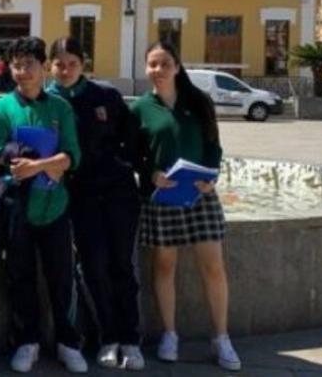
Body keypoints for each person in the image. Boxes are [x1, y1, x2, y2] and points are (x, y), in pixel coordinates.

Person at [130, 41, 240, 371]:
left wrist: (211, 174)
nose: (158, 70)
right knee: (164, 267)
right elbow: (134, 153)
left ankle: (221, 338)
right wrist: (150, 173)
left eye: (165, 64)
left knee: (213, 266)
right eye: (152, 64)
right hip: (162, 198)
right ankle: (170, 334)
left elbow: (213, 146)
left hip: (199, 195)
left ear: (177, 66)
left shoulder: (198, 102)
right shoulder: (139, 109)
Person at [0, 37, 86, 374]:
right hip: (18, 208)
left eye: (30, 64)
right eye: (16, 64)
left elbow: (73, 155)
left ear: (44, 67)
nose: (23, 71)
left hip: (55, 206)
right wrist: (17, 156)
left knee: (62, 278)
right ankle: (27, 341)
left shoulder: (60, 108)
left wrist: (39, 166)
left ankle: (68, 342)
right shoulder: (0, 109)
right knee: (21, 276)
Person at [46, 38, 144, 371]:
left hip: (118, 193)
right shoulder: (48, 101)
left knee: (122, 266)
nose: (66, 69)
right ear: (50, 66)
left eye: (72, 62)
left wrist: (122, 164)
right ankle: (109, 337)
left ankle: (131, 339)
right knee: (94, 267)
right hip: (80, 195)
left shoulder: (106, 96)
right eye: (59, 63)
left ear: (83, 64)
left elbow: (132, 136)